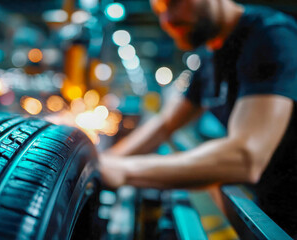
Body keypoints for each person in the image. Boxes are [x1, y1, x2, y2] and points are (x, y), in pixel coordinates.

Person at [99, 0, 297, 236]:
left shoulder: (272, 36)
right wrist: (103, 160)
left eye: (173, 3)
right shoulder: (210, 56)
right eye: (159, 12)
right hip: (270, 208)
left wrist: (126, 171)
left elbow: (246, 157)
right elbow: (165, 125)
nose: (166, 20)